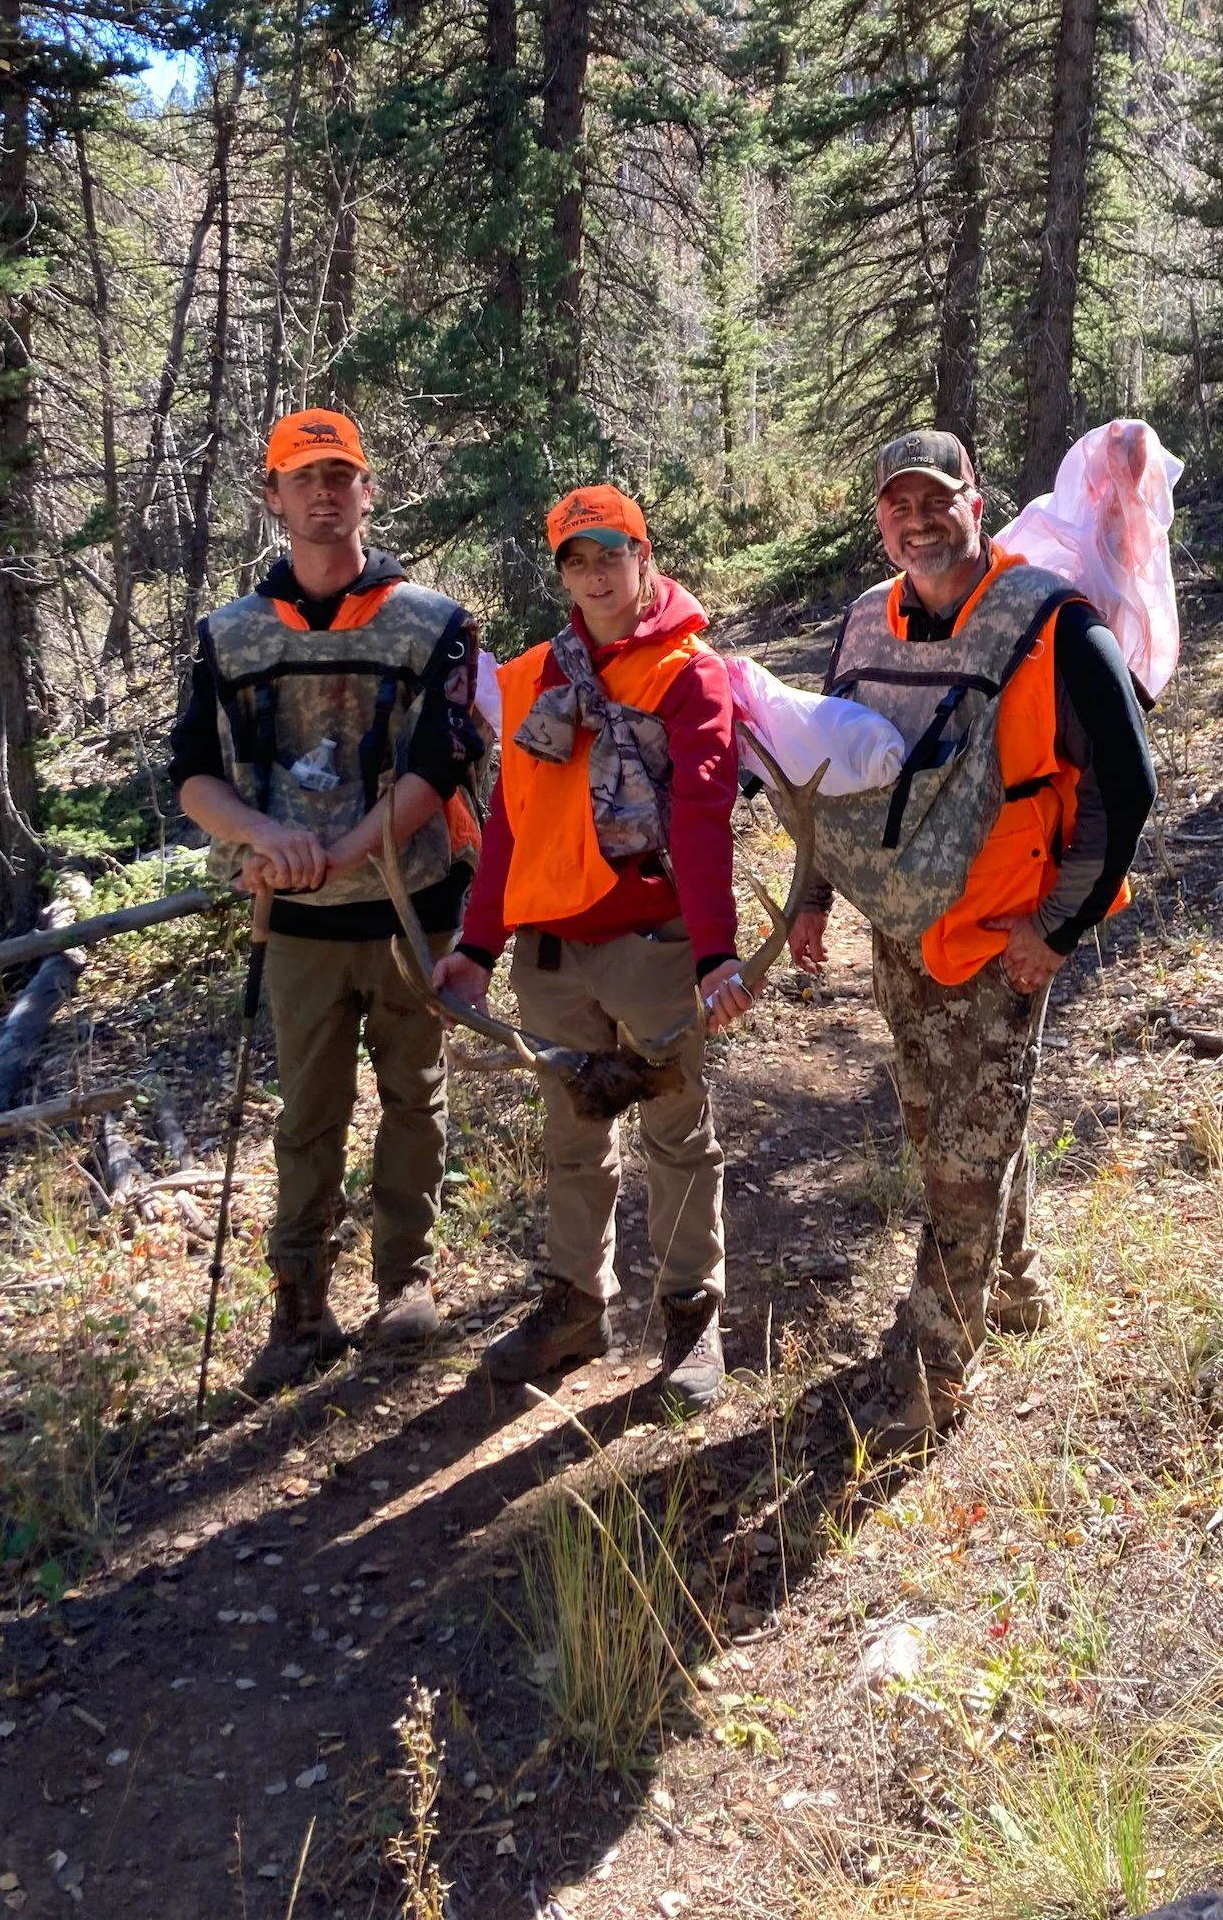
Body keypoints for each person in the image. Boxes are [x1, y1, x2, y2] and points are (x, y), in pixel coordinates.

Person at [786, 432, 1156, 1445]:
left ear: (975, 502)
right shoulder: (865, 622)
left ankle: (930, 1372)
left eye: (935, 499)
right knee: (951, 1127)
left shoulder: (1050, 620)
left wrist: (1058, 927)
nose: (917, 519)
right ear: (879, 519)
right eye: (897, 503)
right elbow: (828, 770)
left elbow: (1127, 793)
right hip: (902, 931)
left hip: (1007, 933)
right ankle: (1021, 1285)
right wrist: (811, 897)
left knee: (961, 1153)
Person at [170, 411, 484, 1396]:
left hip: (409, 903)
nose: (322, 493)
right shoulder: (228, 635)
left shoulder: (433, 621)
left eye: (339, 475)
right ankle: (299, 1304)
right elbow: (188, 773)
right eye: (302, 477)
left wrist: (342, 849)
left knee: (413, 1096)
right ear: (271, 495)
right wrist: (266, 839)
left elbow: (444, 760)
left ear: (367, 489)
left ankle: (406, 1278)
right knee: (306, 1111)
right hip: (294, 921)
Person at [430, 486, 752, 1412]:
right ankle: (575, 1307)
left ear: (646, 559)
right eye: (578, 559)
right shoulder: (534, 678)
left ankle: (693, 1318)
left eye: (614, 552)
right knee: (574, 1137)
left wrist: (713, 953)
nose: (598, 573)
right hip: (551, 956)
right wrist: (478, 947)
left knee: (677, 1135)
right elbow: (507, 831)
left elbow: (700, 817)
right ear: (563, 573)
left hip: (653, 946)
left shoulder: (689, 675)